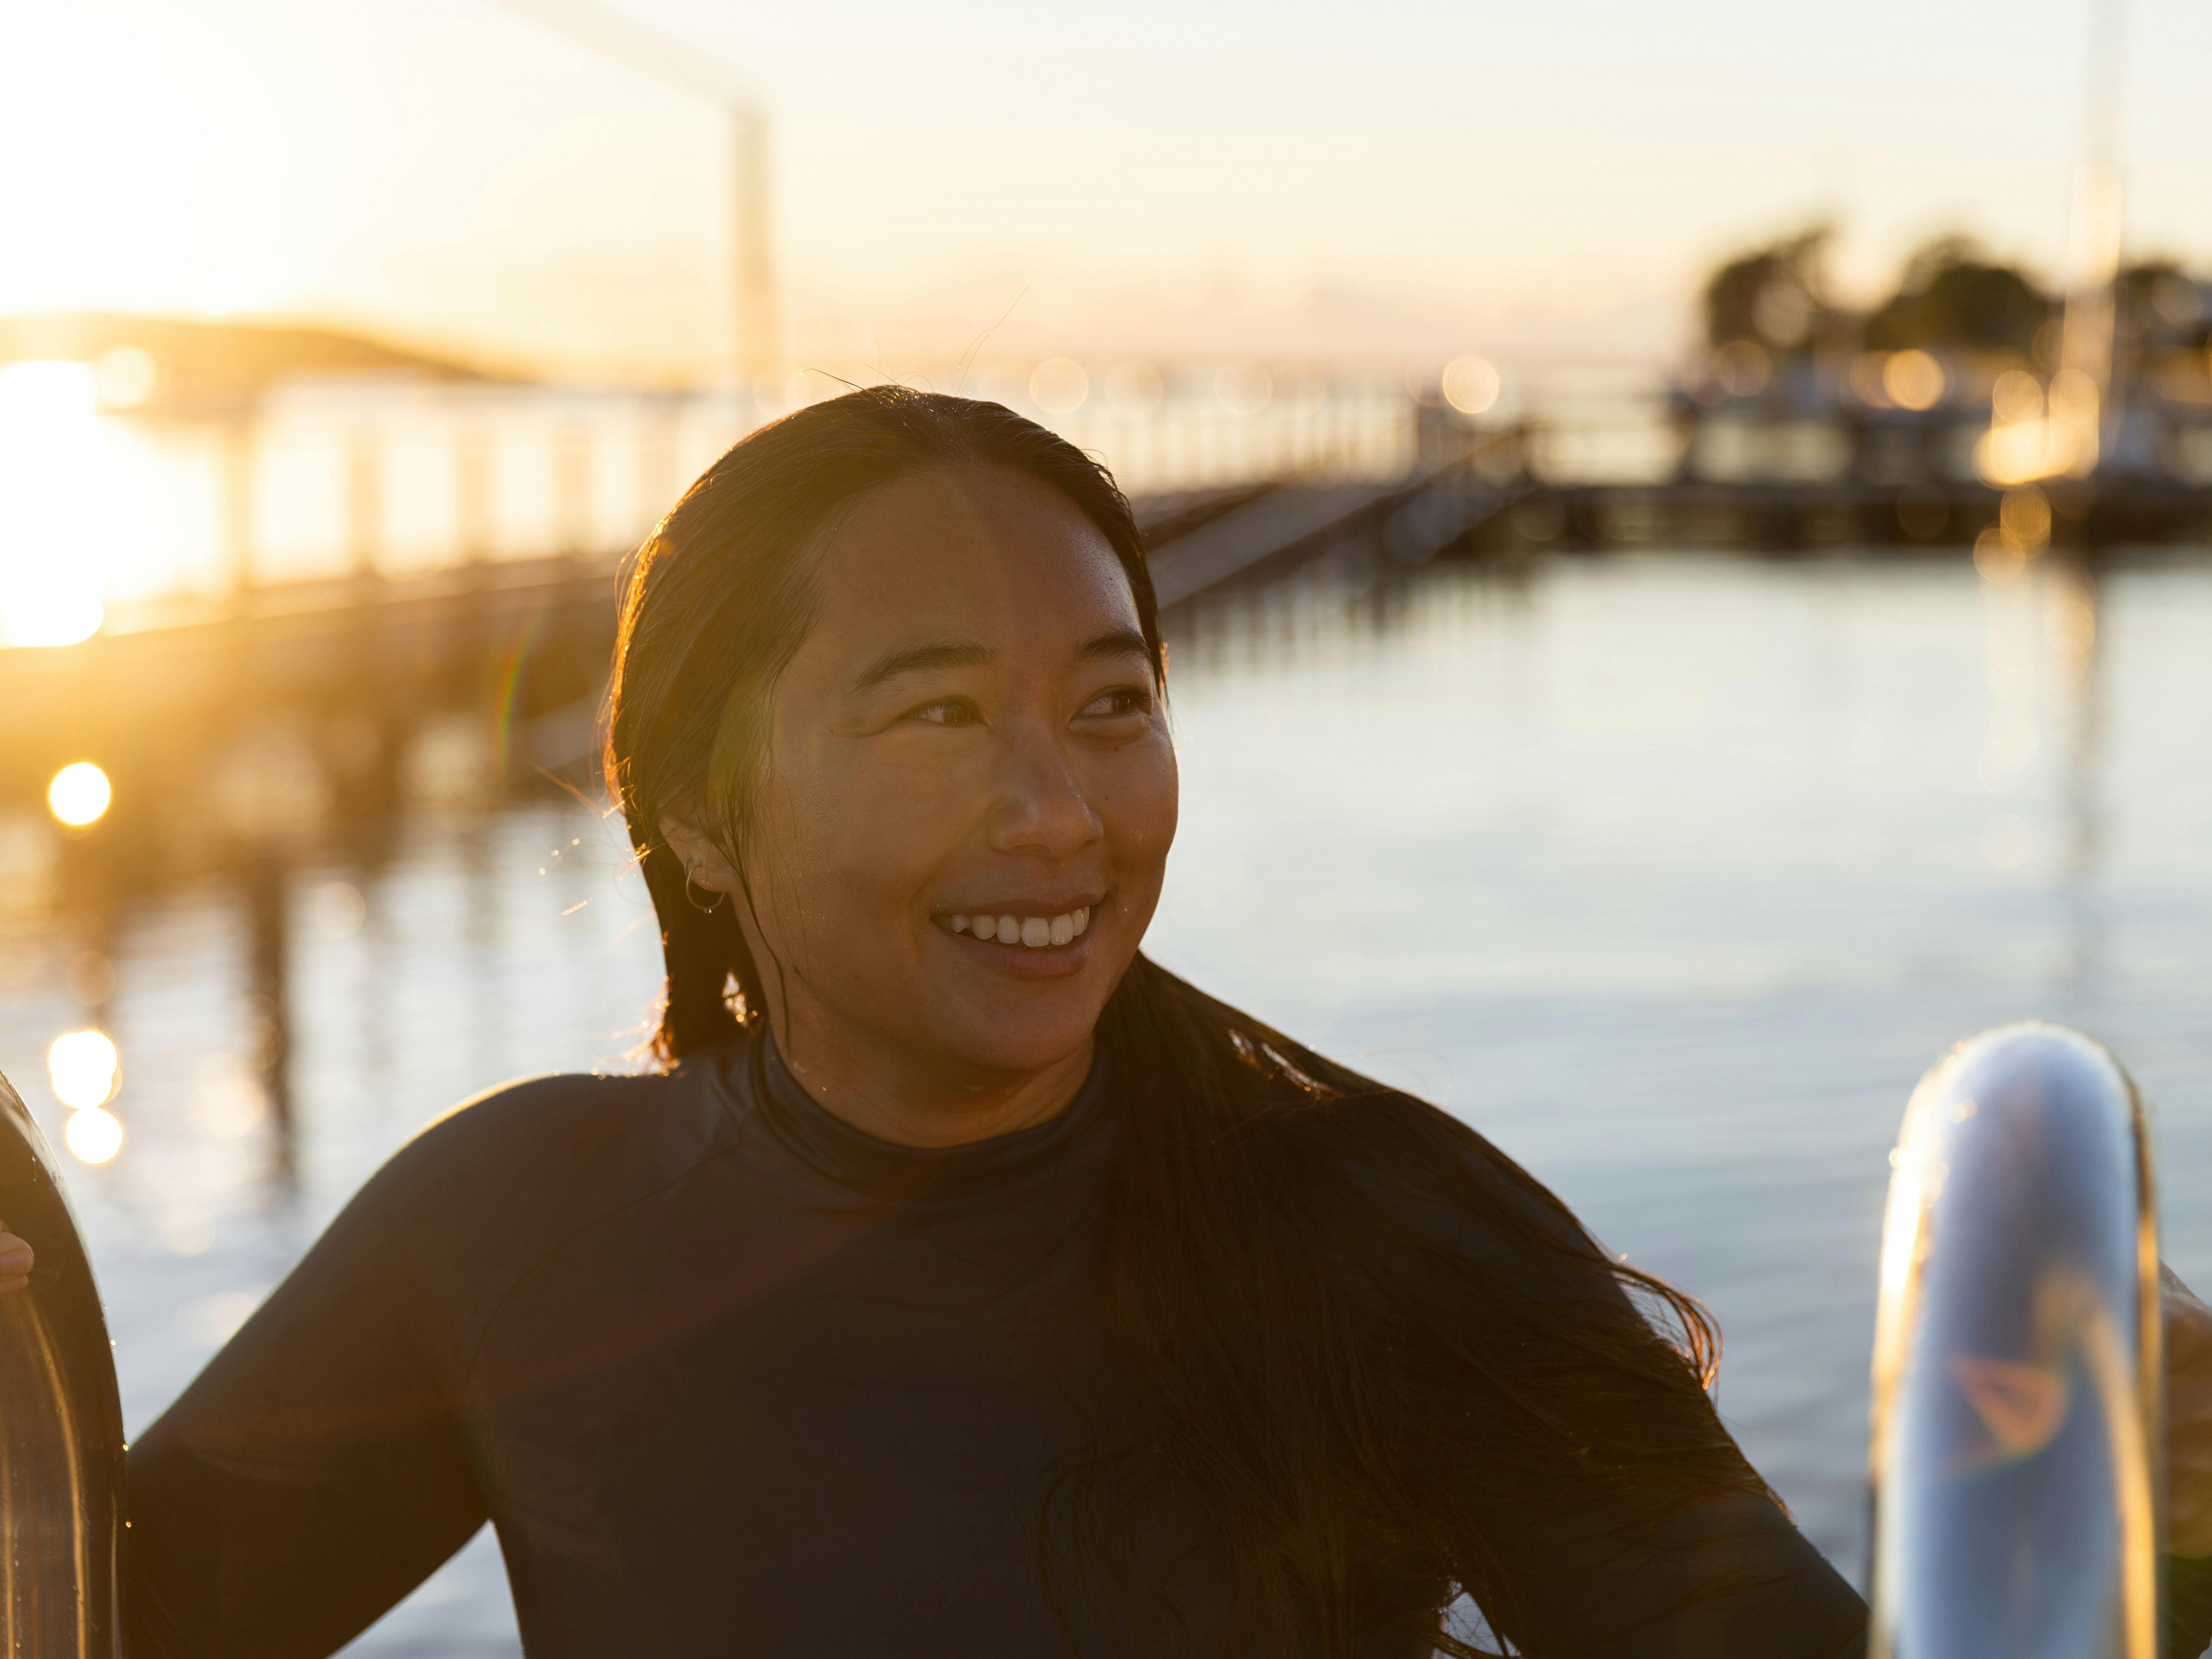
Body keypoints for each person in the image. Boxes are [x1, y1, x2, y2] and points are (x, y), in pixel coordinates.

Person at [5, 385, 2212, 1656]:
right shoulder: (509, 1230)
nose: (1055, 808)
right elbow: (112, 1624)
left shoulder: (1372, 1227)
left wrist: (2168, 1534)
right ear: (692, 802)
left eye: (1112, 703)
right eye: (937, 710)